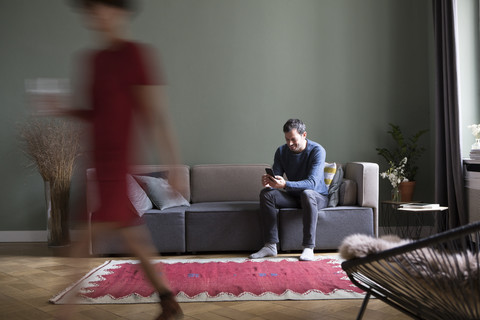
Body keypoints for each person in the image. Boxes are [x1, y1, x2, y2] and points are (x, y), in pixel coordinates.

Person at [33, 1, 183, 319]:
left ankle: (68, 311)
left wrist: (173, 164)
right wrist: (63, 109)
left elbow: (156, 116)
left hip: (117, 163)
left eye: (103, 7)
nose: (97, 15)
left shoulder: (135, 56)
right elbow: (96, 113)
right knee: (131, 235)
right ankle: (169, 302)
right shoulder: (94, 59)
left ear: (120, 11)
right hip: (97, 162)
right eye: (92, 9)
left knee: (85, 238)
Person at [249, 119, 328, 261]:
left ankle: (308, 247)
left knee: (307, 193)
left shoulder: (317, 151)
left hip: (317, 196)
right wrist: (270, 181)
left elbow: (312, 183)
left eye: (293, 139)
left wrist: (285, 184)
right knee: (267, 194)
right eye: (287, 139)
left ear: (304, 135)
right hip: (294, 197)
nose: (290, 144)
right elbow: (277, 176)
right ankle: (270, 246)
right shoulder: (281, 151)